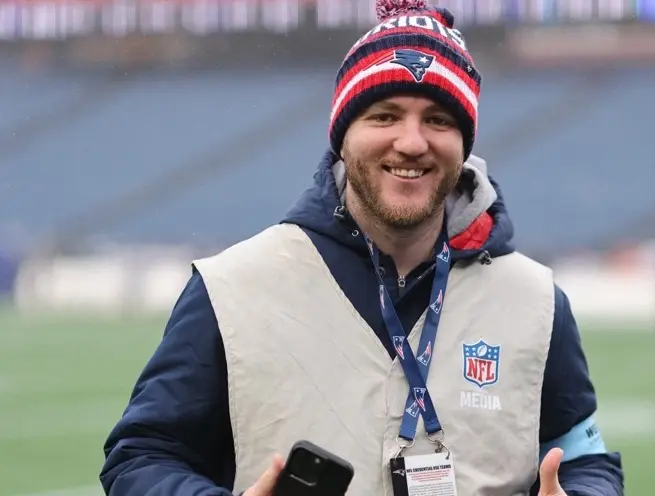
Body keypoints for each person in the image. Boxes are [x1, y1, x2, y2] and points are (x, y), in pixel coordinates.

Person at [100, 0, 624, 494]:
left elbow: (582, 456)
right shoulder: (230, 289)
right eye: (385, 115)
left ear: (464, 143)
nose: (413, 142)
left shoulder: (534, 300)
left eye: (439, 120)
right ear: (343, 135)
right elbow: (143, 456)